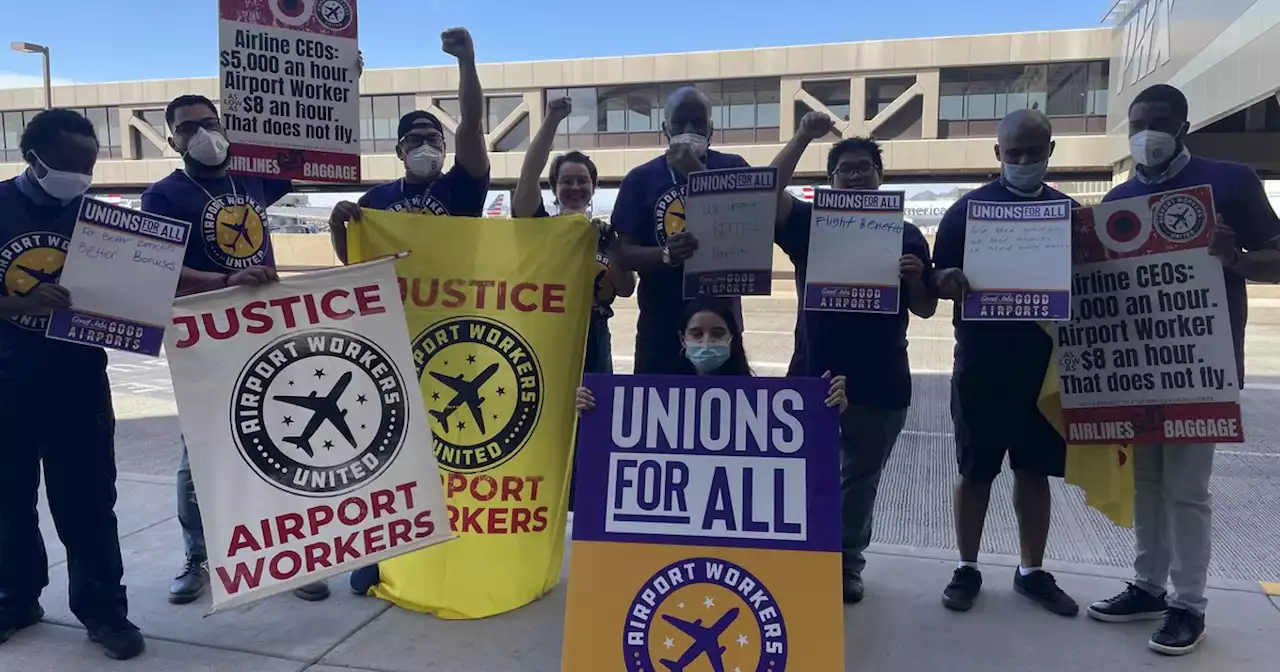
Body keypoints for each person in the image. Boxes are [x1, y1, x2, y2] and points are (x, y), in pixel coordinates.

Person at [1086, 84, 1280, 656]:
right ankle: (1148, 585)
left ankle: (1188, 604)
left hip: (1204, 365)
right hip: (1140, 367)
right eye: (1138, 123)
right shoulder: (1119, 199)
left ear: (1184, 125)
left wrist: (1238, 259)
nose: (1149, 133)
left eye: (1161, 121)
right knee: (1147, 482)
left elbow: (1278, 257)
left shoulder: (1232, 180)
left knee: (1188, 489)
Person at [141, 93, 330, 604]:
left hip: (265, 331)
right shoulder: (163, 196)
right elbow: (158, 267)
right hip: (206, 338)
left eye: (208, 122)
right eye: (187, 128)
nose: (201, 134)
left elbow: (306, 141)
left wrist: (338, 79)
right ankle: (199, 558)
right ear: (172, 139)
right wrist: (225, 278)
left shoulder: (253, 180)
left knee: (284, 442)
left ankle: (292, 555)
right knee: (197, 453)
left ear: (225, 125)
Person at [769, 112, 937, 604]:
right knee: (799, 473)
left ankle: (846, 564)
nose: (857, 175)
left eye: (865, 167)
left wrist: (913, 278)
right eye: (846, 169)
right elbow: (764, 195)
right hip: (812, 373)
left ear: (880, 176)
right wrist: (802, 136)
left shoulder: (906, 233)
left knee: (860, 480)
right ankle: (800, 556)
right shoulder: (807, 223)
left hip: (882, 377)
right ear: (831, 180)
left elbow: (925, 308)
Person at [0, 109, 144, 659]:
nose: (80, 176)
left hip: (78, 384)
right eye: (68, 165)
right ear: (31, 157)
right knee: (9, 503)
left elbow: (143, 295)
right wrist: (21, 304)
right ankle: (15, 598)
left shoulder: (103, 221)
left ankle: (104, 611)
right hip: (7, 382)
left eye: (89, 166)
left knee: (87, 503)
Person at [932, 108, 1079, 617]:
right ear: (997, 154)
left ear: (1050, 152)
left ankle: (1032, 571)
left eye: (1033, 153)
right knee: (975, 473)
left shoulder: (1069, 214)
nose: (1022, 162)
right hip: (981, 365)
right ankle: (967, 566)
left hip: (1044, 369)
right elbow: (934, 279)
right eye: (1013, 154)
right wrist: (945, 279)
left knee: (1034, 473)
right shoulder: (965, 212)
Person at [611, 86, 750, 374]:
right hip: (659, 325)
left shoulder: (734, 168)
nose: (689, 129)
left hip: (720, 326)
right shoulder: (640, 179)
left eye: (698, 122)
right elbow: (622, 253)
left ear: (711, 128)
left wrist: (697, 173)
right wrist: (664, 254)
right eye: (679, 122)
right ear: (665, 128)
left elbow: (753, 229)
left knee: (725, 411)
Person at [329, 28, 489, 263]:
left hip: (455, 298)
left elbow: (472, 124)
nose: (425, 145)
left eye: (433, 139)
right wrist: (336, 226)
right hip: (398, 299)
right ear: (399, 152)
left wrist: (466, 60)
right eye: (415, 139)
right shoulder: (374, 201)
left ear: (445, 148)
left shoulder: (464, 187)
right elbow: (357, 265)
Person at [513, 96, 635, 376]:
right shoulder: (539, 228)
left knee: (595, 413)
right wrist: (552, 120)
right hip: (548, 333)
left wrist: (612, 246)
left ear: (594, 187)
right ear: (554, 187)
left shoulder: (605, 235)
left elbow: (626, 289)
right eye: (566, 180)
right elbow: (529, 173)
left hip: (596, 337)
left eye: (583, 180)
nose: (575, 187)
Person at [575, 296, 847, 413]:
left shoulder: (764, 402)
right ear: (683, 339)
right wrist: (592, 405)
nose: (706, 341)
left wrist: (826, 407)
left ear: (732, 338)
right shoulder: (652, 398)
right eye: (697, 333)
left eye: (717, 333)